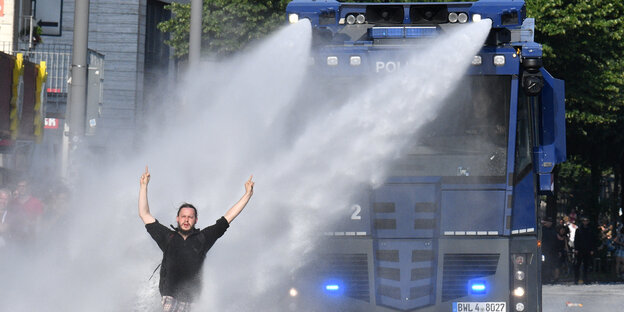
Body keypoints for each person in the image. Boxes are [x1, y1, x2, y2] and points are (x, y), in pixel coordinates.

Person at [139, 166, 254, 312]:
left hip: (193, 303)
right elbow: (145, 214)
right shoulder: (168, 237)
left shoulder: (203, 238)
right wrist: (144, 186)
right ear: (178, 219)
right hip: (170, 299)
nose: (186, 220)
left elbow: (228, 218)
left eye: (190, 217)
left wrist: (247, 195)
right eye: (183, 216)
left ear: (195, 220)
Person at [573, 216, 597, 284]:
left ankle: (585, 279)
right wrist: (576, 249)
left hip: (588, 250)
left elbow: (592, 240)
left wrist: (592, 249)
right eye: (584, 221)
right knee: (577, 265)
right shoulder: (578, 230)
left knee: (586, 265)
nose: (585, 222)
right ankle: (576, 279)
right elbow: (576, 240)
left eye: (586, 221)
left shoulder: (590, 230)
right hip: (580, 249)